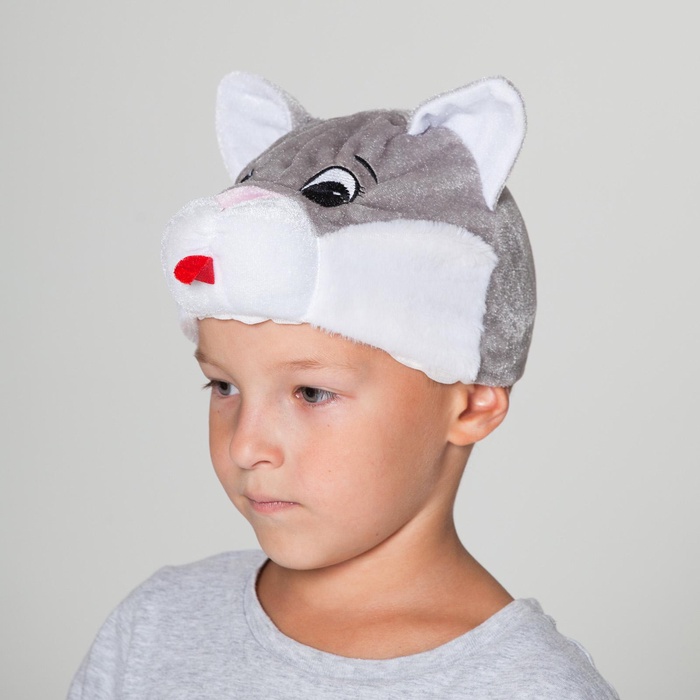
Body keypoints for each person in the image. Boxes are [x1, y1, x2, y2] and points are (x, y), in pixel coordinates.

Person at [67, 72, 619, 698]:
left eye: (311, 393)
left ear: (470, 404)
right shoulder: (156, 625)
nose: (246, 447)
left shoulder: (529, 688)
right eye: (223, 387)